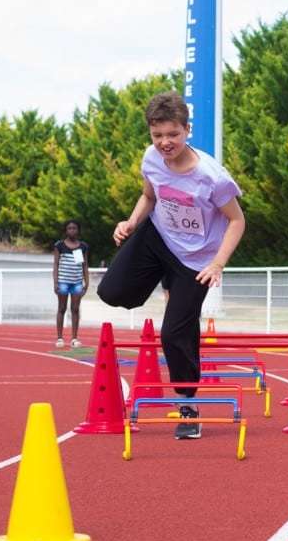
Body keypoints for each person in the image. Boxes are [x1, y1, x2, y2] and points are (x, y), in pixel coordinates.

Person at [96, 91, 245, 440]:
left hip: (196, 262)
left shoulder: (212, 177)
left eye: (172, 135)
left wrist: (218, 264)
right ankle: (160, 283)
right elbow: (150, 196)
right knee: (111, 292)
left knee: (175, 333)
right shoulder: (151, 159)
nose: (165, 143)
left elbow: (237, 222)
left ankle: (188, 407)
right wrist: (131, 222)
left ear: (187, 130)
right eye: (157, 135)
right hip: (158, 238)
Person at [53, 218, 89, 348]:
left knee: (75, 309)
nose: (72, 230)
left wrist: (87, 282)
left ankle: (74, 338)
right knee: (62, 308)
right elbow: (56, 264)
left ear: (78, 230)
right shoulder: (59, 246)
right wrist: (55, 282)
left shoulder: (83, 247)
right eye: (69, 228)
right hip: (63, 281)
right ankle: (59, 338)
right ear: (65, 230)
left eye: (74, 228)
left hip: (77, 282)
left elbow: (85, 266)